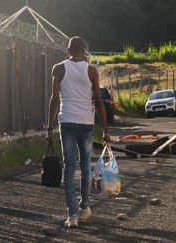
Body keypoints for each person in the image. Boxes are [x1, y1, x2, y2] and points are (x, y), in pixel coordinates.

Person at [47, 36, 111, 228]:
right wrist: (106, 131)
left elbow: (54, 99)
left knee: (69, 168)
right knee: (85, 167)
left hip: (66, 121)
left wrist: (49, 126)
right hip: (86, 123)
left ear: (68, 51)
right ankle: (85, 208)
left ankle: (72, 215)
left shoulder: (58, 68)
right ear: (84, 51)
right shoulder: (91, 70)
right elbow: (98, 102)